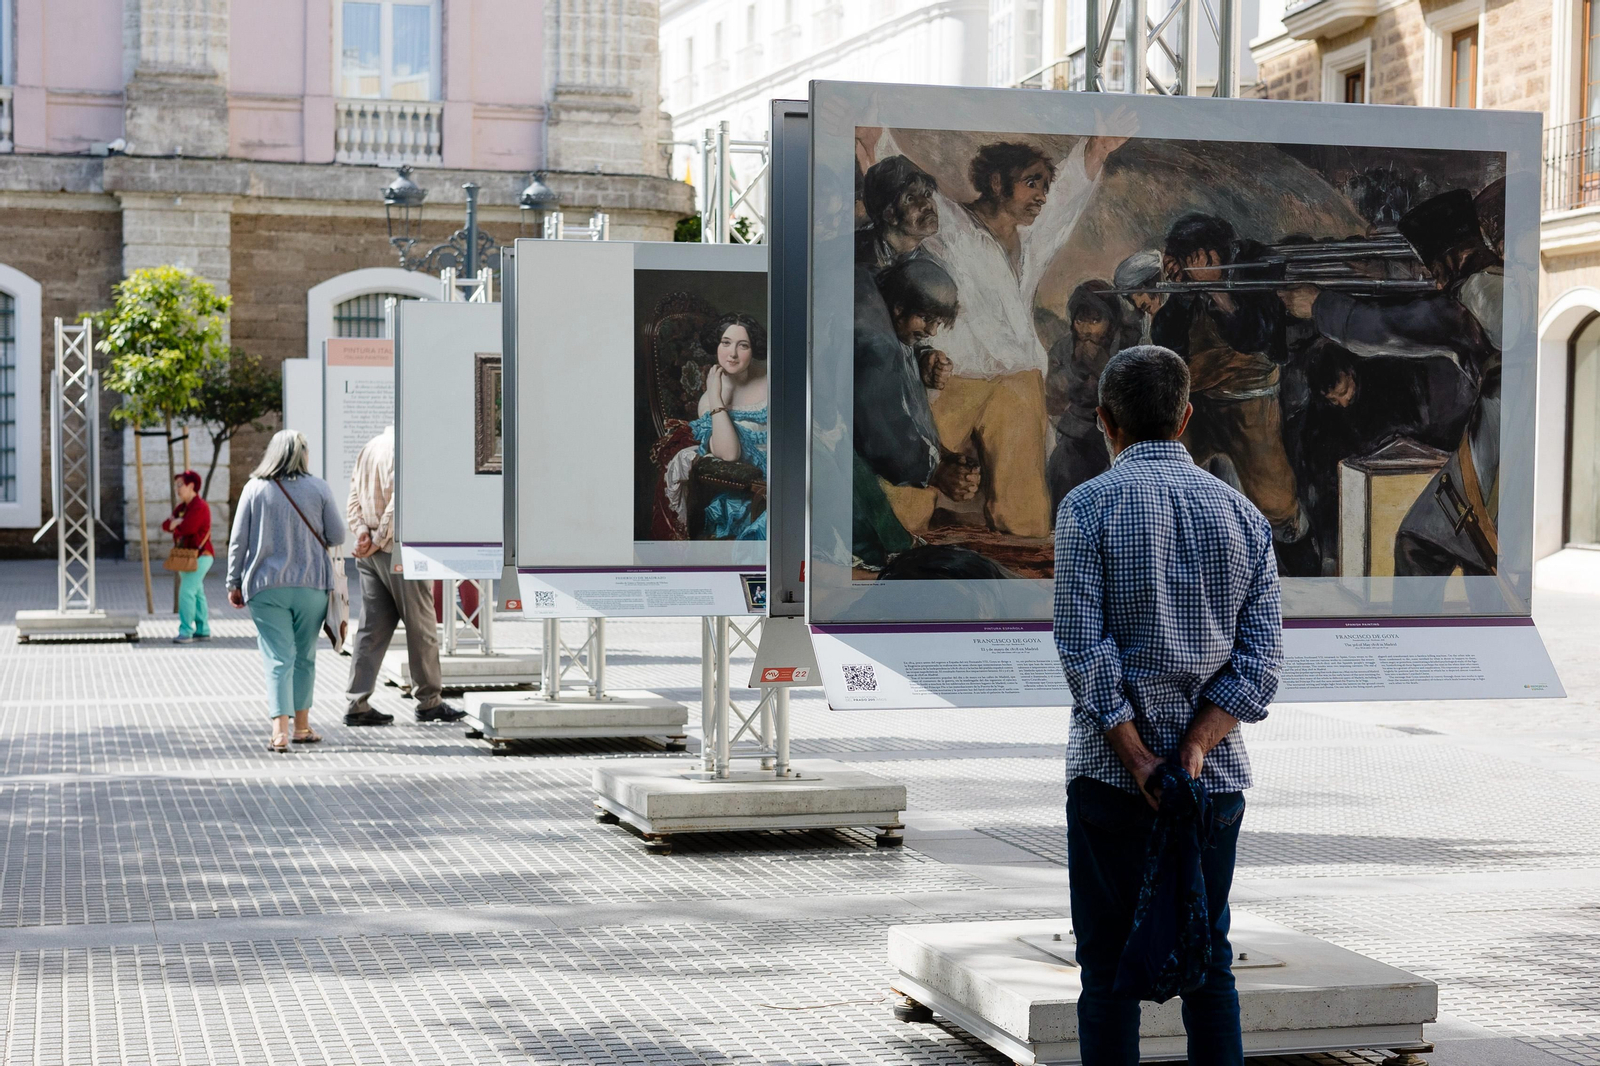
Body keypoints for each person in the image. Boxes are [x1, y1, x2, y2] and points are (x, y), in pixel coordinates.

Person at [1054, 345, 1282, 1066]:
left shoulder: (1086, 508)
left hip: (1110, 783)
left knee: (1107, 972)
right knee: (1210, 967)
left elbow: (1083, 651)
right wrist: (1194, 751)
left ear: (1104, 421)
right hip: (1210, 789)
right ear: (1186, 417)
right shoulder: (1246, 517)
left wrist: (1142, 760)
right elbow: (1260, 663)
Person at [895, 134, 1124, 538]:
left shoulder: (1031, 239)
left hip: (1018, 378)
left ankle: (1022, 577)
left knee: (1026, 514)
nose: (1041, 196)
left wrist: (1095, 152)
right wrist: (870, 139)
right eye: (1031, 183)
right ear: (997, 182)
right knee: (912, 486)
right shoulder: (949, 223)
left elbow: (1066, 200)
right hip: (954, 375)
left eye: (1044, 187)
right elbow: (900, 180)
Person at [1282, 188, 1503, 588]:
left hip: (1502, 437)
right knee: (1470, 548)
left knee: (1420, 544)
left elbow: (1389, 328)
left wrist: (1318, 305)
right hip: (1505, 426)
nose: (1435, 280)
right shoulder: (1498, 283)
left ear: (1454, 257)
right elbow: (1426, 295)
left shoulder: (1471, 299)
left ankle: (1416, 639)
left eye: (1436, 267)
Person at [1151, 213, 1321, 575]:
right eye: (1186, 260)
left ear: (1214, 255)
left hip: (1250, 403)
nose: (1196, 265)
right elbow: (1165, 339)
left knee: (1275, 501)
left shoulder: (1253, 269)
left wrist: (1217, 290)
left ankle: (1304, 573)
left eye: (1200, 258)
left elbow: (1257, 336)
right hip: (1197, 403)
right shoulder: (1187, 283)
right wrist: (1181, 294)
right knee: (1171, 482)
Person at [226, 430, 347, 753]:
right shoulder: (319, 487)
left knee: (279, 656)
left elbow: (238, 541)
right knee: (305, 655)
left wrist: (233, 582)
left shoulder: (254, 488)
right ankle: (303, 727)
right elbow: (337, 535)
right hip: (311, 586)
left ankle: (279, 732)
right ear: (302, 454)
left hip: (266, 588)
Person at [344, 425, 467, 725]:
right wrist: (378, 539)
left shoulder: (369, 447)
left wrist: (362, 533)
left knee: (370, 631)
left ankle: (356, 703)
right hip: (398, 551)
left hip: (371, 555)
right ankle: (429, 702)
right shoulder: (408, 450)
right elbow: (401, 503)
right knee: (421, 627)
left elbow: (353, 498)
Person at [1045, 280, 1142, 508]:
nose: (1086, 329)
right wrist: (1073, 372)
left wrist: (1099, 364)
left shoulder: (1128, 345)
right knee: (1062, 467)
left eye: (1096, 321)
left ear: (1111, 322)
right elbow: (1052, 403)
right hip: (1076, 432)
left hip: (1119, 434)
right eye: (1080, 320)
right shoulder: (1063, 348)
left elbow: (1130, 397)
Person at [855, 154, 941, 276]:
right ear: (889, 214)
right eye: (910, 198)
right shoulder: (853, 254)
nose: (927, 204)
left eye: (927, 194)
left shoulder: (927, 268)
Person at [162, 469, 213, 644]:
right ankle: (203, 629)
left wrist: (175, 523)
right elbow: (165, 525)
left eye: (180, 485)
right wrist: (177, 523)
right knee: (197, 593)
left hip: (200, 556)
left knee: (186, 592)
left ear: (191, 486)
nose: (177, 489)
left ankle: (186, 631)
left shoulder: (199, 506)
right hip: (188, 556)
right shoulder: (183, 507)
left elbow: (189, 528)